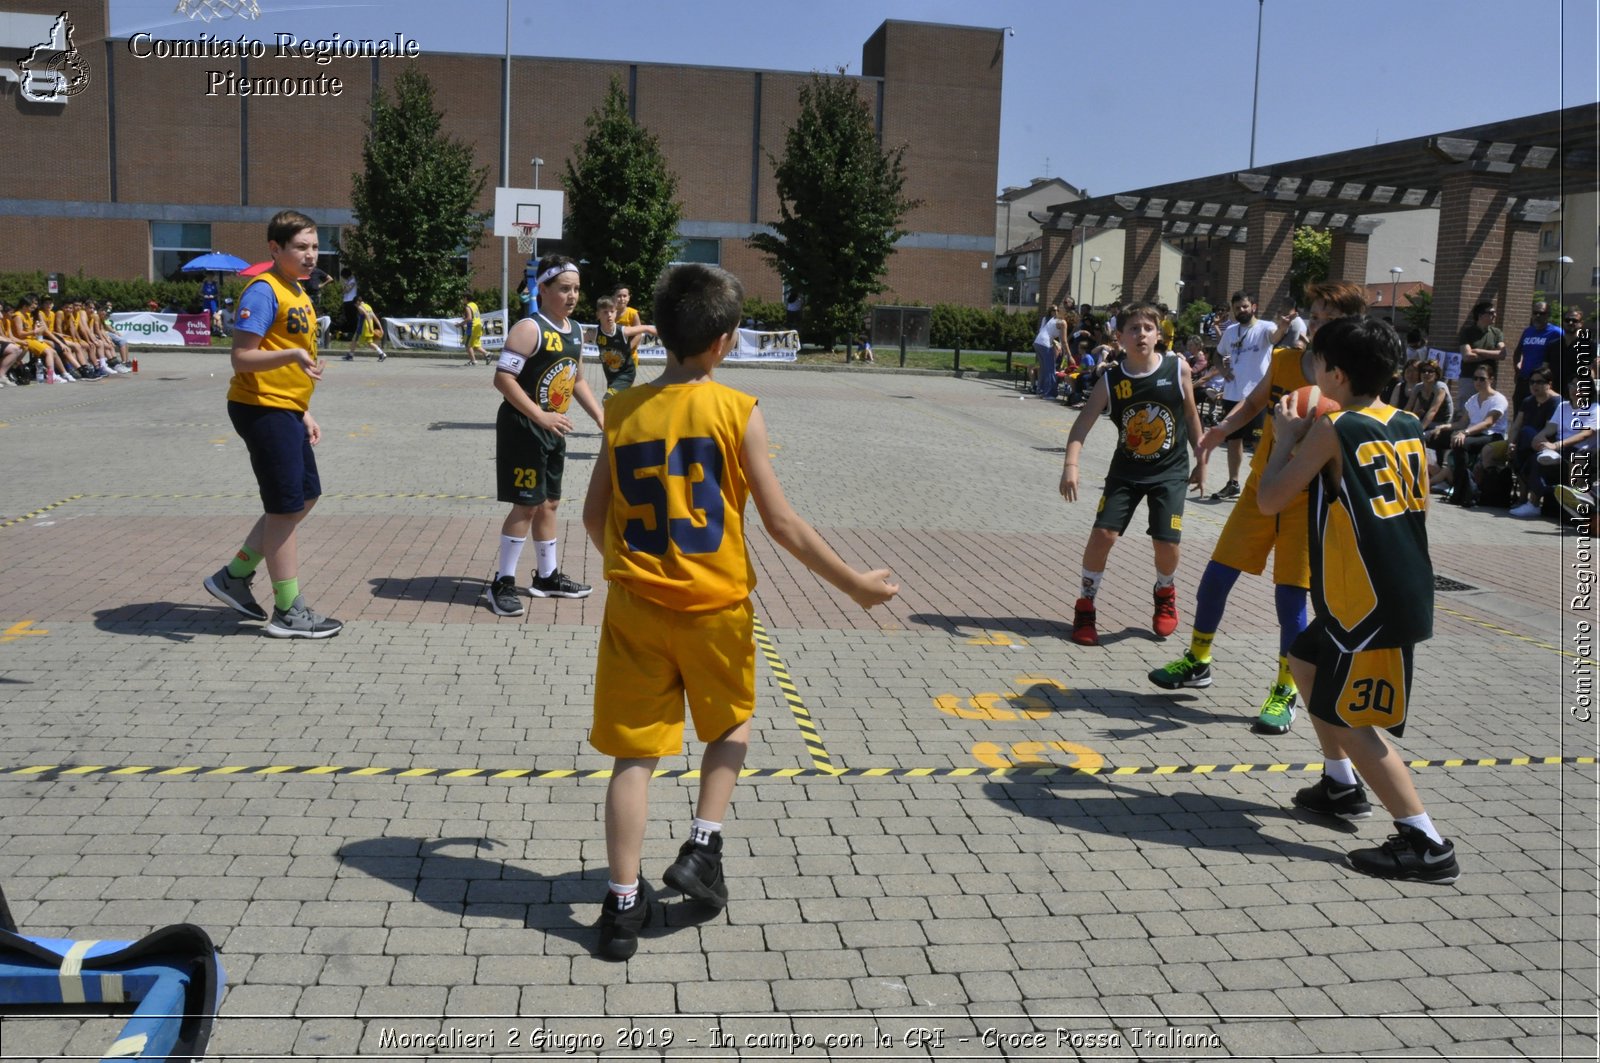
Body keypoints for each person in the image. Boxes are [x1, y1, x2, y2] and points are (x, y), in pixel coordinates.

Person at [581, 263, 899, 960]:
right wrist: (853, 584)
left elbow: (593, 513)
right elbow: (782, 524)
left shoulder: (622, 409)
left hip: (636, 605)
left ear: (659, 331)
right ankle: (702, 844)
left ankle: (621, 905)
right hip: (715, 605)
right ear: (723, 341)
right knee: (730, 725)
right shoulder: (738, 410)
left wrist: (636, 567)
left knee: (634, 758)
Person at [1257, 314, 1457, 884]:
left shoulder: (1334, 428)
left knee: (1348, 717)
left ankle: (1426, 842)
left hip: (1369, 601)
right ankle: (1340, 787)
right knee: (1304, 656)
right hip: (1383, 586)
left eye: (1316, 362)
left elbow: (1271, 499)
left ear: (1335, 374)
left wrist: (1286, 439)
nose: (1310, 370)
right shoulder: (1408, 422)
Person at [1149, 281, 1367, 735]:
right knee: (1214, 580)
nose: (1320, 322)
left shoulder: (1350, 383)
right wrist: (1217, 433)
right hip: (1260, 488)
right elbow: (1252, 403)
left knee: (1290, 600)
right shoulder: (1288, 359)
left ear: (1349, 323)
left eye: (1330, 317)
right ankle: (1198, 658)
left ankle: (1286, 689)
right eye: (1317, 314)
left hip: (1308, 499)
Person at [202, 210, 342, 639]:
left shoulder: (298, 291)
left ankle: (234, 575)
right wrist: (293, 358)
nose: (310, 255)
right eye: (301, 246)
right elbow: (242, 357)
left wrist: (302, 410)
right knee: (284, 509)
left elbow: (284, 354)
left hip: (284, 408)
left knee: (304, 498)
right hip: (259, 408)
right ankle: (287, 610)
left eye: (315, 246)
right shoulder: (263, 291)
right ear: (275, 249)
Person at [1059, 303, 1204, 646]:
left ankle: (1165, 592)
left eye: (1148, 328)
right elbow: (1081, 426)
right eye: (1134, 329)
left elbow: (1192, 415)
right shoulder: (1112, 379)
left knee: (1166, 542)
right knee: (1103, 536)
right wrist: (1071, 466)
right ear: (1119, 337)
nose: (1141, 334)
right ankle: (1086, 606)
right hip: (1126, 470)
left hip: (1170, 471)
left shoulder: (1177, 367)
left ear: (1159, 334)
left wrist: (1203, 458)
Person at [483, 254, 607, 616]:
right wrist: (540, 415)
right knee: (527, 503)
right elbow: (502, 379)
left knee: (549, 502)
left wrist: (600, 416)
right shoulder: (529, 328)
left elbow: (577, 378)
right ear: (544, 289)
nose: (572, 296)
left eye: (577, 289)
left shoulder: (576, 330)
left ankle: (547, 576)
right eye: (564, 289)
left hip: (553, 428)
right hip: (524, 426)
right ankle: (502, 581)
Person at [1210, 291, 1277, 500]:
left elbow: (1277, 338)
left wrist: (1285, 325)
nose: (1241, 311)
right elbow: (1217, 355)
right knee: (1233, 440)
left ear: (1254, 307)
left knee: (1259, 443)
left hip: (1256, 396)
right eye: (1237, 308)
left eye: (1245, 307)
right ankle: (1233, 483)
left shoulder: (1266, 327)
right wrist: (1223, 371)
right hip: (1232, 394)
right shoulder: (1230, 331)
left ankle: (1263, 484)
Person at [1430, 364, 1507, 506]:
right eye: (1475, 378)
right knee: (1437, 437)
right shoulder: (1472, 399)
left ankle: (1462, 489)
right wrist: (1443, 427)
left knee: (1461, 443)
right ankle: (1441, 476)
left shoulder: (1498, 399)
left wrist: (1464, 433)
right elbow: (1462, 422)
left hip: (1492, 435)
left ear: (1492, 379)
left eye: (1482, 379)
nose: (1478, 382)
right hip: (1472, 434)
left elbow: (1488, 423)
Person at [1505, 368, 1560, 515]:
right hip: (1526, 444)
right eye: (1531, 382)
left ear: (1549, 383)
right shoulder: (1528, 401)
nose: (1534, 385)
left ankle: (1533, 502)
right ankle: (1523, 499)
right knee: (1518, 449)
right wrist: (1510, 443)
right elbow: (1516, 425)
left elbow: (1550, 430)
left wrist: (1532, 440)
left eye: (1539, 382)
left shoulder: (1556, 402)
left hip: (1547, 444)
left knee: (1527, 435)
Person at [592, 294, 655, 399]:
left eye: (612, 312)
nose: (609, 315)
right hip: (611, 377)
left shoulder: (623, 331)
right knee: (619, 404)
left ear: (616, 313)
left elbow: (646, 328)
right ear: (598, 315)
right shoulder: (595, 333)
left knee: (607, 399)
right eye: (605, 312)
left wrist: (668, 336)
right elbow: (577, 338)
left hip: (626, 374)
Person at [1512, 301, 1563, 414]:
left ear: (1548, 315)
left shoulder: (1556, 332)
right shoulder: (1528, 331)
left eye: (1542, 313)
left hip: (1540, 382)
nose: (1538, 316)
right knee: (1519, 411)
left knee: (1535, 414)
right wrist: (1517, 370)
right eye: (1535, 313)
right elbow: (1517, 352)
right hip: (1524, 380)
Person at [1456, 301, 1504, 405]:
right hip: (1469, 377)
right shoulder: (1467, 332)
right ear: (1480, 315)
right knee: (1466, 410)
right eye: (1491, 313)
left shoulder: (1497, 333)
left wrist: (1478, 351)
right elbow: (1467, 356)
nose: (1494, 315)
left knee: (1486, 407)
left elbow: (1502, 354)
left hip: (1488, 379)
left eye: (1494, 312)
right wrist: (1492, 355)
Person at [1033, 306, 1064, 399]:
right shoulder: (1060, 322)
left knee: (1045, 368)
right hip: (1045, 344)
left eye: (1057, 310)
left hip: (1038, 343)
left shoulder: (1053, 320)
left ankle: (1042, 390)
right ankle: (1049, 393)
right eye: (1054, 310)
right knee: (1050, 369)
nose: (1055, 312)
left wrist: (1058, 344)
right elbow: (1063, 340)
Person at [460, 297, 487, 366]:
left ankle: (473, 361)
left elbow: (469, 318)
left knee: (467, 344)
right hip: (478, 326)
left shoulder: (468, 307)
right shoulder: (474, 304)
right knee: (474, 345)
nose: (462, 300)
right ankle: (487, 354)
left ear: (466, 298)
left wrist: (460, 324)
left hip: (472, 327)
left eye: (462, 298)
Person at [339, 269, 359, 340]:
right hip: (346, 301)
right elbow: (343, 290)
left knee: (352, 318)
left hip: (351, 301)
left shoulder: (352, 280)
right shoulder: (347, 281)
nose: (343, 278)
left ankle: (354, 333)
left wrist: (344, 288)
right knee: (348, 318)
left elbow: (346, 290)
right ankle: (349, 333)